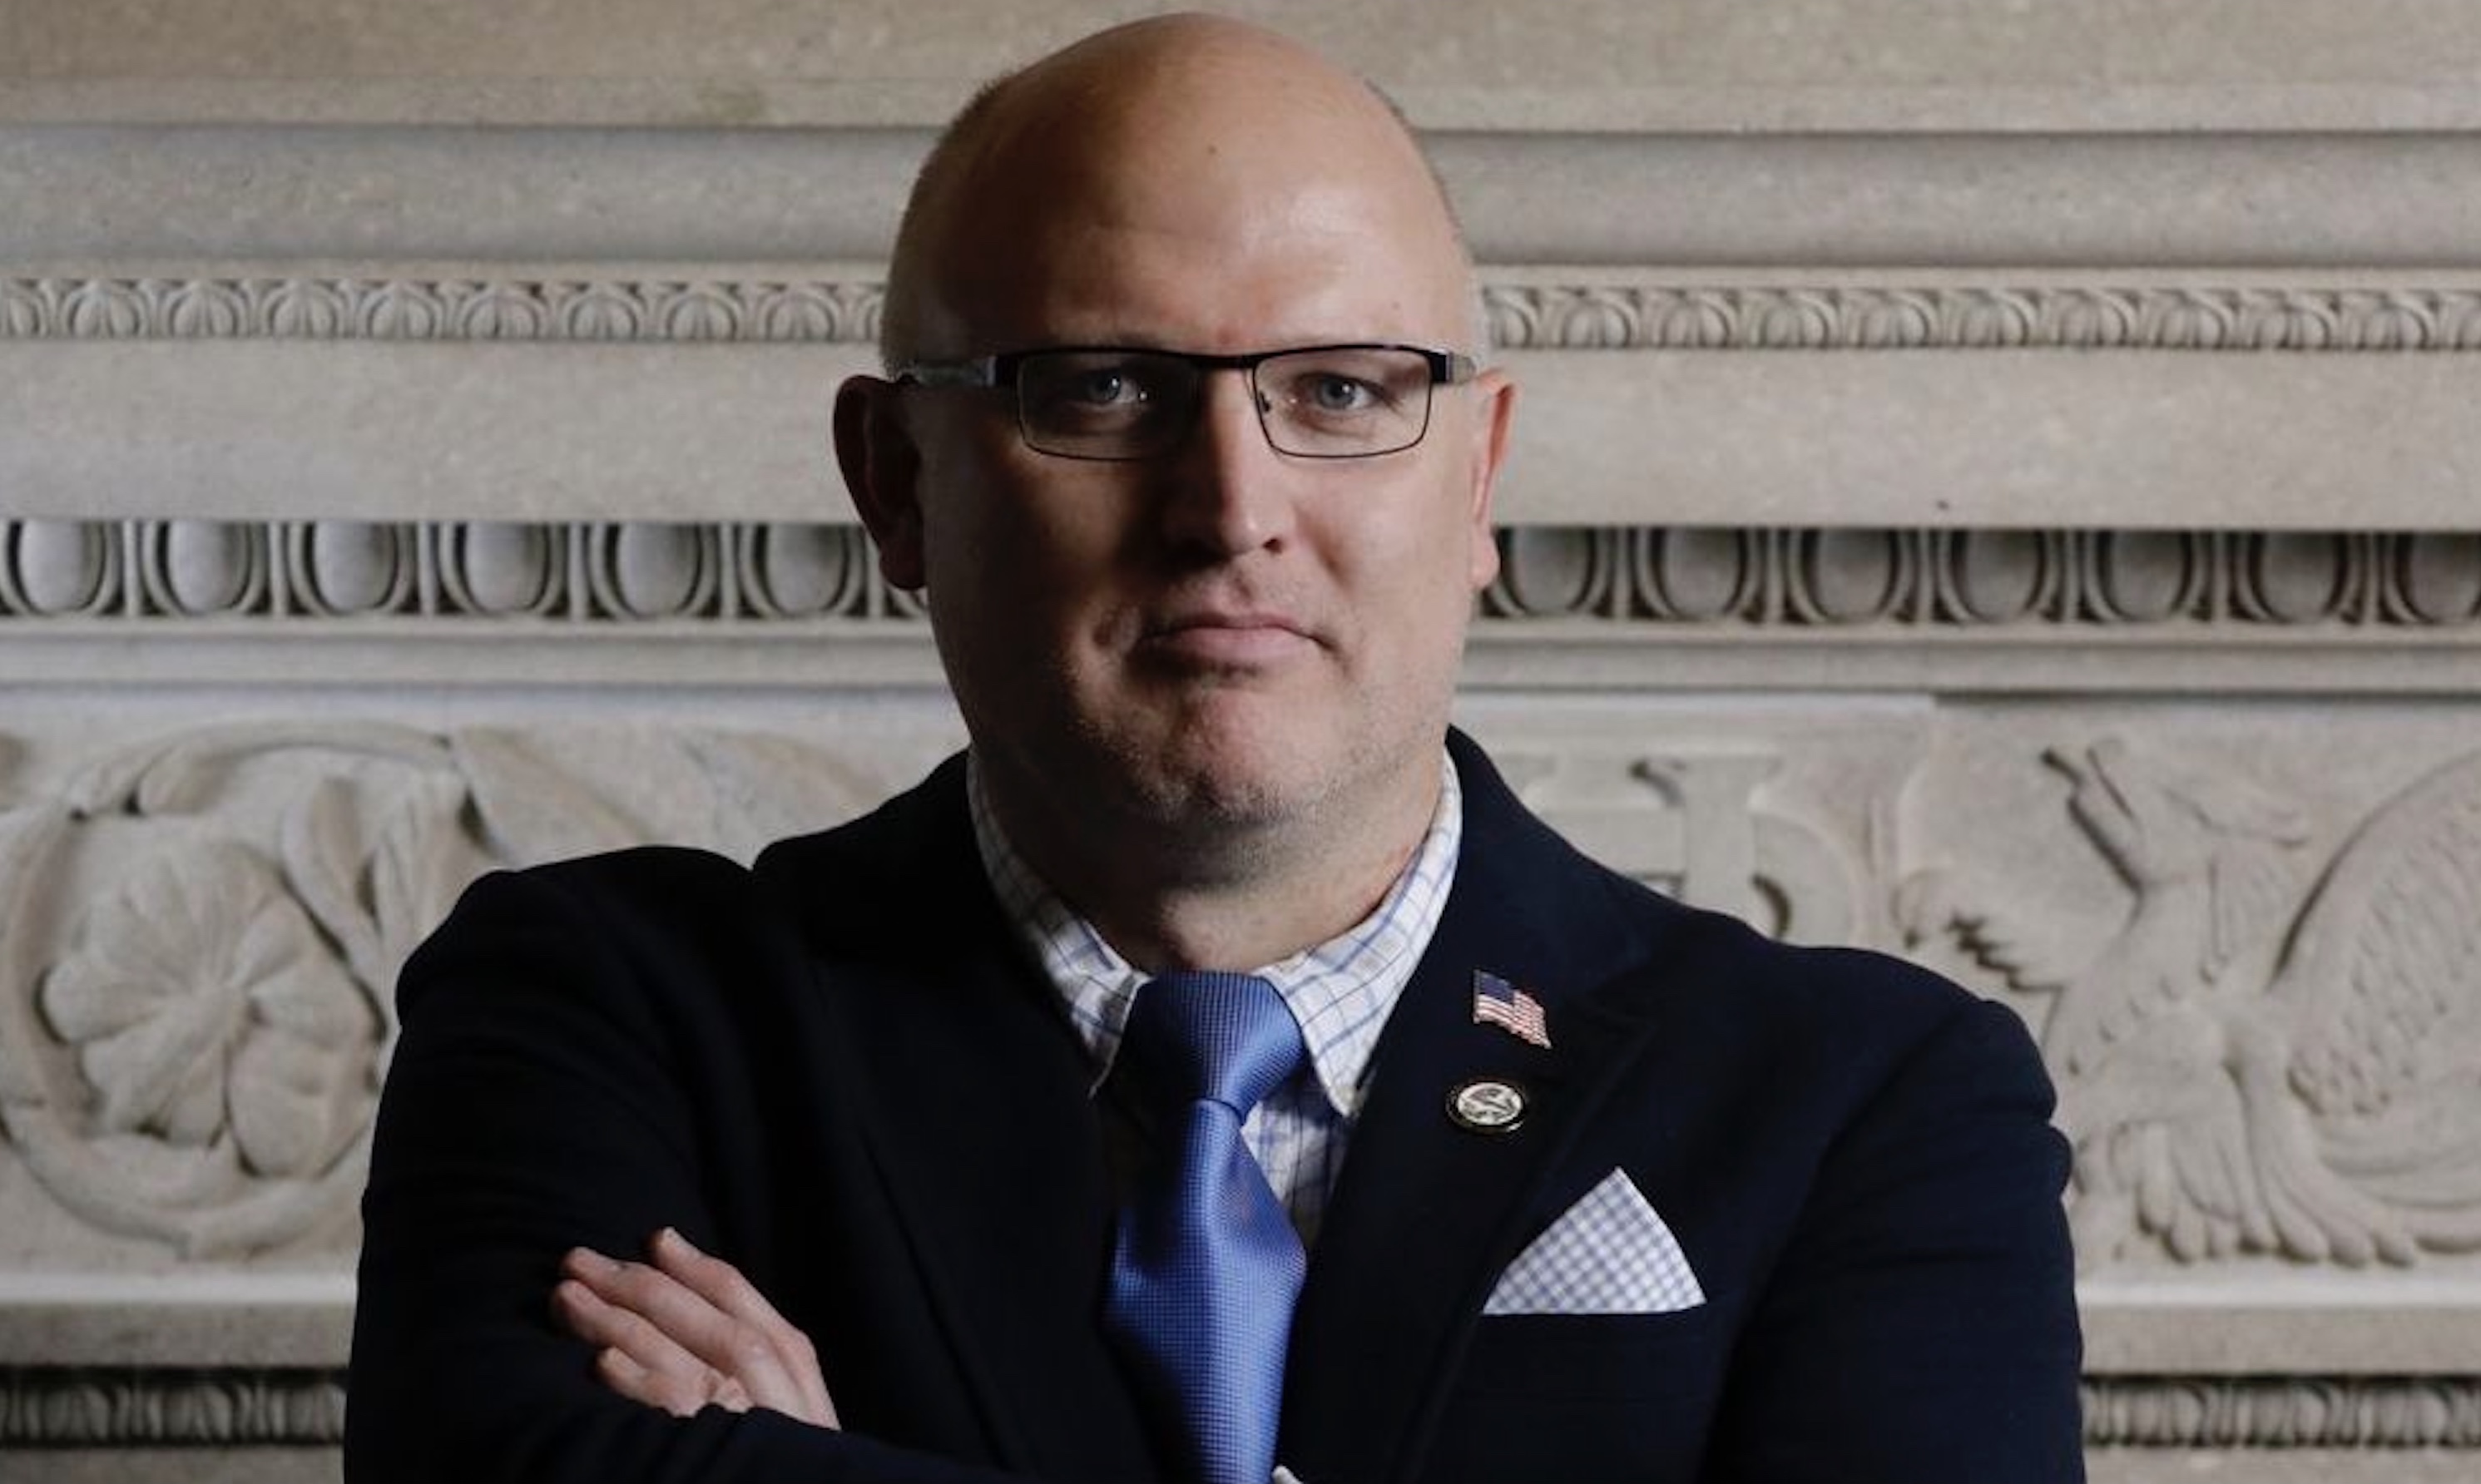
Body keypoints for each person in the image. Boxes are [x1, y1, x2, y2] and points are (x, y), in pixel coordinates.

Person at [344, 13, 2083, 1483]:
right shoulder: (609, 1019)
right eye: (1100, 387)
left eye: (1340, 390)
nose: (1231, 507)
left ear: (1476, 479)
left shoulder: (1866, 1098)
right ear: (897, 486)